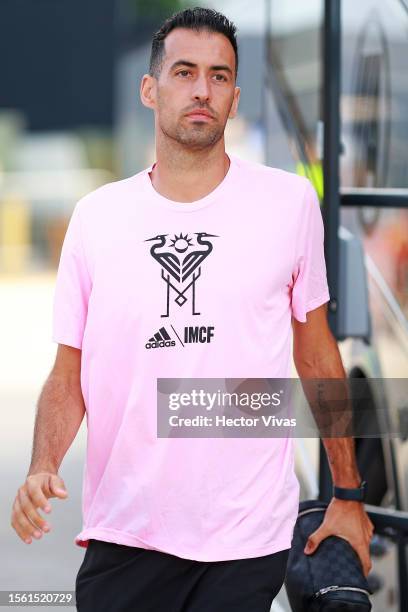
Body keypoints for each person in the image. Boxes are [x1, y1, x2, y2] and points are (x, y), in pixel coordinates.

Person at [11, 6, 374, 611]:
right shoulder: (96, 219)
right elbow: (68, 373)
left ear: (235, 97)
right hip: (126, 528)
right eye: (184, 72)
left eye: (220, 75)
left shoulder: (288, 205)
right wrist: (41, 465)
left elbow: (316, 352)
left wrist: (348, 493)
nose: (202, 89)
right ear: (150, 89)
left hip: (246, 535)